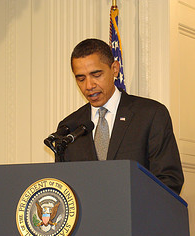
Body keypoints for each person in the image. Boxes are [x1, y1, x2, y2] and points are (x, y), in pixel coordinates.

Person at [55, 38, 184, 195]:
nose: (89, 85)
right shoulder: (70, 126)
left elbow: (169, 180)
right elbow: (63, 189)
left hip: (137, 216)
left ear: (114, 69)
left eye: (96, 75)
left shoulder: (150, 114)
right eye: (81, 78)